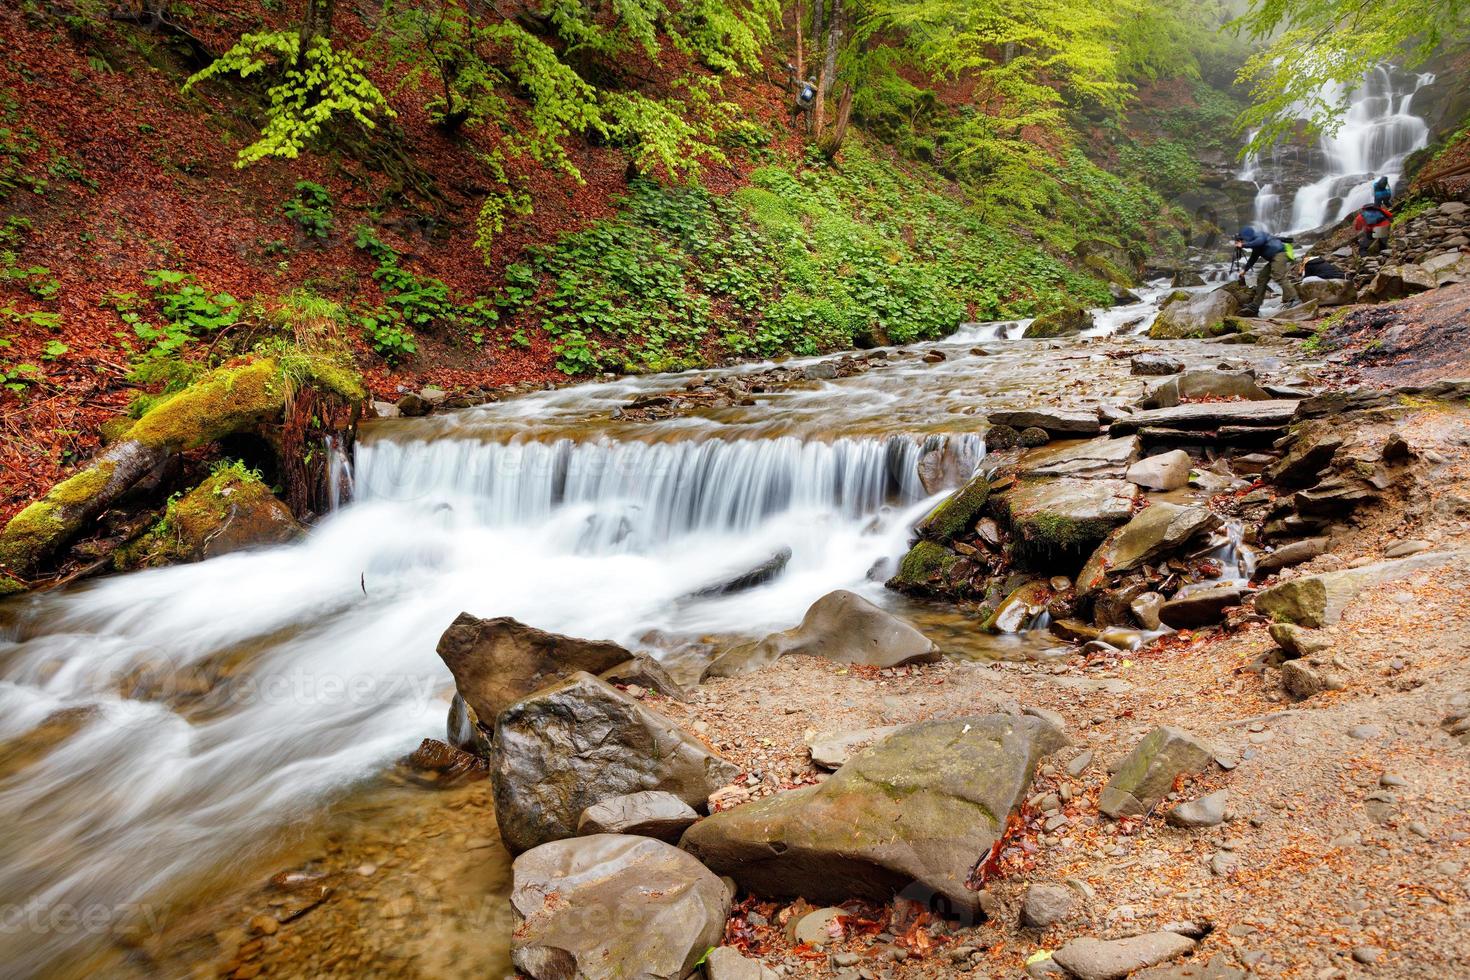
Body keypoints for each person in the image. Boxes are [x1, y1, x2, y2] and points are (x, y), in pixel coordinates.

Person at [1234, 226, 1301, 315]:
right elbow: (1253, 259)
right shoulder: (1255, 246)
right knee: (1262, 278)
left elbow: (1259, 242)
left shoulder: (1260, 235)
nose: (1243, 241)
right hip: (1273, 259)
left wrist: (1243, 245)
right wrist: (1245, 270)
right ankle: (1255, 305)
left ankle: (1295, 299)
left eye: (1243, 239)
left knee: (1279, 277)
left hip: (1280, 255)